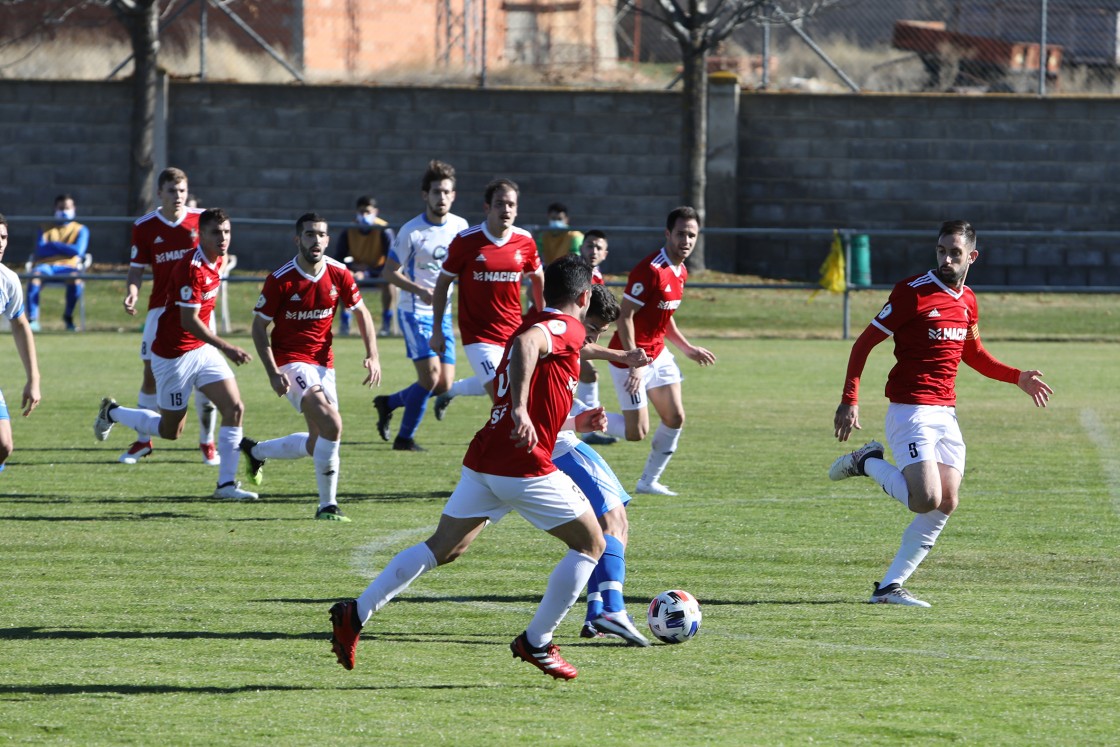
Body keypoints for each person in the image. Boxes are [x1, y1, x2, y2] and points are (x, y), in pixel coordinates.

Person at [331, 255, 629, 681]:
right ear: (584, 297)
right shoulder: (561, 327)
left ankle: (354, 614)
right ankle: (537, 641)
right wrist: (523, 411)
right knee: (591, 543)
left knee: (445, 547)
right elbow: (536, 343)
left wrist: (622, 356)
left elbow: (562, 343)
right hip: (521, 463)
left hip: (487, 456)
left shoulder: (549, 324)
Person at [830, 220, 1053, 607]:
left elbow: (974, 355)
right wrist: (850, 398)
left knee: (948, 501)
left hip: (945, 414)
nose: (946, 259)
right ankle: (867, 462)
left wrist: (1017, 377)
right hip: (910, 411)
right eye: (941, 251)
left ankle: (888, 587)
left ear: (972, 257)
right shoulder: (911, 293)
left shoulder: (967, 301)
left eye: (955, 252)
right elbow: (863, 344)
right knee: (924, 499)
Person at [94, 208, 259, 501]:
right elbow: (188, 321)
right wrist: (227, 346)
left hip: (201, 350)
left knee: (234, 408)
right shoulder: (190, 268)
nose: (223, 239)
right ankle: (113, 412)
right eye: (216, 233)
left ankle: (225, 486)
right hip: (173, 356)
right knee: (171, 432)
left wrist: (215, 346)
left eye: (227, 232)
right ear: (201, 235)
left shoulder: (218, 259)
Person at [243, 212, 381, 521]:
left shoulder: (339, 273)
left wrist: (373, 354)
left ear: (328, 240)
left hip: (323, 365)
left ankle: (256, 451)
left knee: (317, 441)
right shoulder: (281, 280)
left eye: (320, 235)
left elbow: (362, 313)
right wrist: (272, 372)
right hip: (291, 363)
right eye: (309, 235)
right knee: (333, 423)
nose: (315, 240)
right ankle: (327, 506)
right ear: (298, 239)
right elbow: (257, 328)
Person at [554, 284, 649, 646]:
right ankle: (610, 608)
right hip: (558, 447)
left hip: (551, 444)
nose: (592, 338)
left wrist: (621, 355)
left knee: (610, 515)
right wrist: (579, 421)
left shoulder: (550, 328)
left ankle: (596, 612)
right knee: (613, 520)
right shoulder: (559, 335)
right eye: (593, 328)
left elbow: (581, 346)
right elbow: (579, 345)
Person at [604, 206, 717, 496]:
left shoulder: (681, 271)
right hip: (628, 357)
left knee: (675, 417)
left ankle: (648, 482)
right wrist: (633, 360)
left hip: (658, 354)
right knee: (636, 432)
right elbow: (624, 316)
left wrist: (687, 348)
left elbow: (663, 317)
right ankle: (580, 417)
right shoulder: (651, 271)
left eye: (692, 235)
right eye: (681, 234)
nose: (686, 240)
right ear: (668, 234)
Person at [121, 167, 218, 466]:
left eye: (182, 191)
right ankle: (142, 440)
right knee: (149, 375)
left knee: (207, 380)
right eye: (172, 191)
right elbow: (136, 268)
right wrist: (133, 291)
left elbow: (218, 255)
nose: (178, 196)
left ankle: (207, 443)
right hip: (160, 310)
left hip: (197, 312)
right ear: (159, 193)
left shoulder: (201, 221)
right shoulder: (145, 225)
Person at [429, 178, 545, 420]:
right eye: (500, 204)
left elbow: (538, 279)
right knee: (505, 397)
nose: (506, 210)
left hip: (514, 333)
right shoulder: (466, 241)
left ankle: (452, 390)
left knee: (522, 389)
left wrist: (543, 320)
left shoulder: (524, 241)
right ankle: (502, 453)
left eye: (511, 205)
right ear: (487, 208)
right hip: (479, 337)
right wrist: (438, 329)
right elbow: (442, 284)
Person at [373, 160, 468, 452]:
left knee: (442, 385)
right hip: (415, 312)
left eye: (447, 192)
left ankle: (389, 403)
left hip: (443, 314)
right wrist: (418, 289)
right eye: (436, 191)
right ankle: (404, 439)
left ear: (453, 195)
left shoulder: (461, 227)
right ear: (424, 195)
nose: (442, 197)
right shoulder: (412, 231)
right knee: (430, 377)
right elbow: (389, 272)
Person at [0, 214, 42, 472]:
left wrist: (33, 379)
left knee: (4, 446)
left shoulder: (8, 280)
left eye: (3, 237)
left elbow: (20, 324)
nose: (0, 243)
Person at [575, 229, 617, 446]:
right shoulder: (572, 272)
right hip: (558, 335)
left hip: (579, 336)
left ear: (605, 254)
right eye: (590, 245)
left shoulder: (597, 277)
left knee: (588, 374)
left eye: (598, 247)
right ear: (581, 248)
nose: (593, 251)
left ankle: (587, 428)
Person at [27, 194, 89, 332]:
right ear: (55, 208)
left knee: (75, 278)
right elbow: (40, 250)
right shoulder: (44, 227)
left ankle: (68, 317)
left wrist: (53, 244)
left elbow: (78, 250)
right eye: (61, 208)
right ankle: (32, 319)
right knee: (34, 276)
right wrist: (66, 249)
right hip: (46, 266)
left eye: (67, 208)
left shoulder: (80, 229)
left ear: (74, 208)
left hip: (68, 267)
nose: (64, 211)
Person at [335, 196, 396, 337]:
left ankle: (386, 323)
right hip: (357, 272)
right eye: (361, 211)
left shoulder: (384, 229)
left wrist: (370, 271)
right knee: (343, 279)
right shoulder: (349, 229)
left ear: (375, 212)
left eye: (368, 212)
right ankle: (345, 323)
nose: (364, 215)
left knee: (389, 281)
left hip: (378, 271)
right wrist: (350, 268)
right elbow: (339, 258)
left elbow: (391, 259)